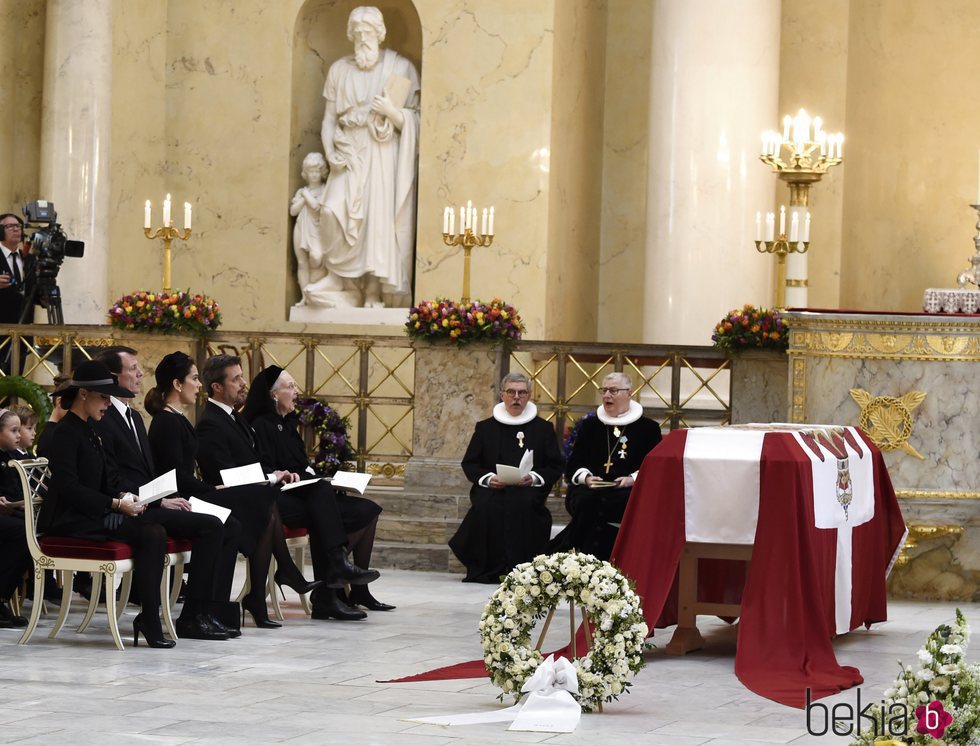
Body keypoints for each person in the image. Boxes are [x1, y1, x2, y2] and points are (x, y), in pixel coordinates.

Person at [195, 355, 379, 621]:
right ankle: (327, 578)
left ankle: (327, 583)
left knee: (349, 505)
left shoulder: (237, 419)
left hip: (266, 492)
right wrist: (273, 476)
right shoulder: (214, 422)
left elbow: (261, 463)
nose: (243, 383)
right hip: (246, 498)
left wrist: (280, 475)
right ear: (217, 386)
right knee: (317, 496)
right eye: (236, 379)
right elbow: (224, 473)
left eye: (242, 377)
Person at [146, 351, 319, 630]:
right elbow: (173, 475)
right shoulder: (167, 421)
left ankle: (215, 611)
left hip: (195, 491)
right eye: (193, 378)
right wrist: (208, 487)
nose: (198, 384)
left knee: (248, 511)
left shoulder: (178, 419)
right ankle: (206, 611)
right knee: (251, 505)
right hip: (182, 498)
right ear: (177, 385)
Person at [94, 346, 241, 641]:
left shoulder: (133, 417)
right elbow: (113, 476)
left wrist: (162, 497)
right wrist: (161, 499)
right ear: (114, 376)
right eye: (133, 368)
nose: (139, 374)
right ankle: (193, 615)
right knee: (213, 525)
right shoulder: (105, 418)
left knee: (229, 521)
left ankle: (205, 612)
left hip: (150, 500)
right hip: (128, 507)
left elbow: (147, 472)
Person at [39, 360, 174, 648]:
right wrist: (113, 504)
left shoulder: (90, 429)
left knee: (154, 530)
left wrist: (125, 498)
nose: (108, 405)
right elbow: (69, 488)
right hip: (69, 521)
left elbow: (105, 478)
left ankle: (149, 616)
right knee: (153, 532)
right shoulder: (65, 433)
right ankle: (149, 618)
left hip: (93, 514)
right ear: (84, 395)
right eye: (104, 398)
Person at [242, 365, 393, 616]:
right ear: (273, 394)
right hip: (279, 501)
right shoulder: (261, 424)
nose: (296, 391)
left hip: (304, 495)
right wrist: (293, 476)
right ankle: (329, 590)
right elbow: (263, 468)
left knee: (367, 509)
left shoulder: (288, 424)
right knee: (323, 506)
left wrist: (322, 477)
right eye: (290, 387)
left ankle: (347, 584)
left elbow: (303, 466)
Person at [317, 6, 420, 308]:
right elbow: (327, 120)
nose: (362, 37)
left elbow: (416, 121)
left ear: (380, 33)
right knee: (331, 211)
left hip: (381, 151)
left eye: (368, 31)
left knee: (377, 220)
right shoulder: (339, 69)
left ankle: (373, 290)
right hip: (347, 147)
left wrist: (392, 113)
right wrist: (330, 153)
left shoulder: (400, 68)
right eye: (357, 32)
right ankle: (339, 279)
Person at [449, 373, 564, 583]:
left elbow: (555, 465)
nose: (516, 397)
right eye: (511, 392)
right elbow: (470, 464)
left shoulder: (543, 429)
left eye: (522, 392)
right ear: (502, 395)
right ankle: (487, 569)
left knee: (524, 502)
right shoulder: (485, 428)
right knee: (486, 506)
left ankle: (525, 568)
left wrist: (534, 477)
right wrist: (488, 479)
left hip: (528, 489)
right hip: (493, 488)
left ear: (529, 396)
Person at [550, 373, 662, 561]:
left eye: (613, 390)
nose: (607, 395)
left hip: (627, 489)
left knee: (607, 504)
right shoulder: (590, 426)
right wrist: (586, 478)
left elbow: (654, 466)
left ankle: (582, 557)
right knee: (587, 500)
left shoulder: (648, 428)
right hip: (591, 487)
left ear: (629, 393)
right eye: (604, 390)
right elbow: (575, 462)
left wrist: (632, 479)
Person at [0, 408, 31, 628]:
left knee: (30, 529)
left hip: (9, 512)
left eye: (20, 430)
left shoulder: (12, 456)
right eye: (13, 430)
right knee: (23, 533)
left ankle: (2, 597)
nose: (19, 435)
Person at [0, 214, 35, 374]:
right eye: (9, 226)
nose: (16, 229)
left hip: (22, 330)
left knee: (16, 376)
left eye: (18, 226)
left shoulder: (29, 259)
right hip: (1, 327)